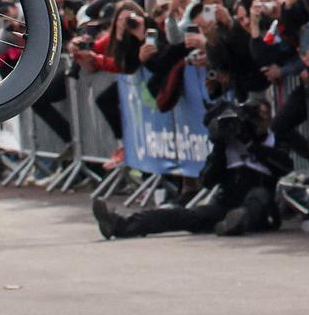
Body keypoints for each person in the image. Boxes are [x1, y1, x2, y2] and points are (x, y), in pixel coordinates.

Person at [93, 95, 292, 238]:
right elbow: (207, 180)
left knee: (258, 195)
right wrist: (220, 146)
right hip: (227, 204)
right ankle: (121, 225)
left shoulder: (274, 140)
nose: (259, 121)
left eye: (264, 116)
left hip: (259, 207)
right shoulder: (230, 142)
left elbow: (284, 166)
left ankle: (239, 223)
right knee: (187, 215)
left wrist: (252, 145)